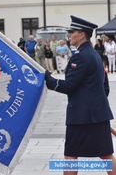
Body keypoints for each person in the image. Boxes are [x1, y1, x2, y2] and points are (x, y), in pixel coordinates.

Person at [45, 15, 116, 175]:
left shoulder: (81, 57)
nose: (69, 35)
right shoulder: (95, 55)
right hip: (97, 114)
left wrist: (47, 79)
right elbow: (104, 87)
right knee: (105, 155)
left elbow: (69, 86)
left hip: (81, 117)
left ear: (82, 34)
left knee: (70, 155)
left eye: (72, 32)